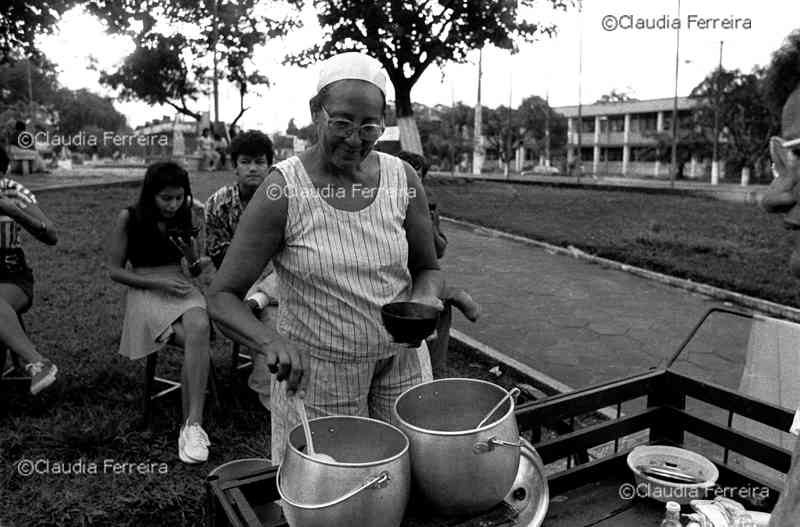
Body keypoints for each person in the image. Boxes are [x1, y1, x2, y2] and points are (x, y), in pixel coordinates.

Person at [207, 52, 445, 464]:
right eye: (342, 123)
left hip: (402, 364)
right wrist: (270, 341)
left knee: (408, 472)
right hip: (319, 376)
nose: (355, 139)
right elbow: (221, 296)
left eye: (369, 126)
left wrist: (424, 299)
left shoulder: (401, 179)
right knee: (334, 484)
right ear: (316, 113)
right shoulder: (283, 190)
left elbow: (427, 268)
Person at [107, 161, 213, 464]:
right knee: (197, 341)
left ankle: (193, 425)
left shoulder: (186, 215)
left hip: (179, 285)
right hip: (146, 286)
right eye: (166, 198)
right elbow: (115, 271)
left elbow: (193, 272)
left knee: (199, 326)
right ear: (150, 194)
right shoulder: (129, 217)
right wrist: (157, 282)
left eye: (179, 197)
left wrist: (193, 258)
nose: (173, 205)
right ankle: (191, 425)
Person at [204, 130, 277, 409]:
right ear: (234, 166)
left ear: (270, 165)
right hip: (239, 279)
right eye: (245, 162)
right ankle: (270, 393)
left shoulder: (282, 198)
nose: (253, 168)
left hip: (277, 276)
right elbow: (219, 256)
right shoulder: (218, 203)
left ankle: (269, 384)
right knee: (271, 317)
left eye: (259, 162)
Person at [395, 150, 481, 374]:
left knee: (439, 308)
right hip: (398, 277)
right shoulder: (385, 205)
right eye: (407, 176)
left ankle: (436, 369)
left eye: (417, 178)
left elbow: (439, 250)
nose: (412, 183)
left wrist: (429, 223)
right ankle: (454, 294)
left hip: (422, 276)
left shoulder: (426, 207)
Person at [0, 175, 59, 394]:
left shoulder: (12, 191)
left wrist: (15, 212)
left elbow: (51, 236)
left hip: (10, 276)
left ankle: (38, 362)